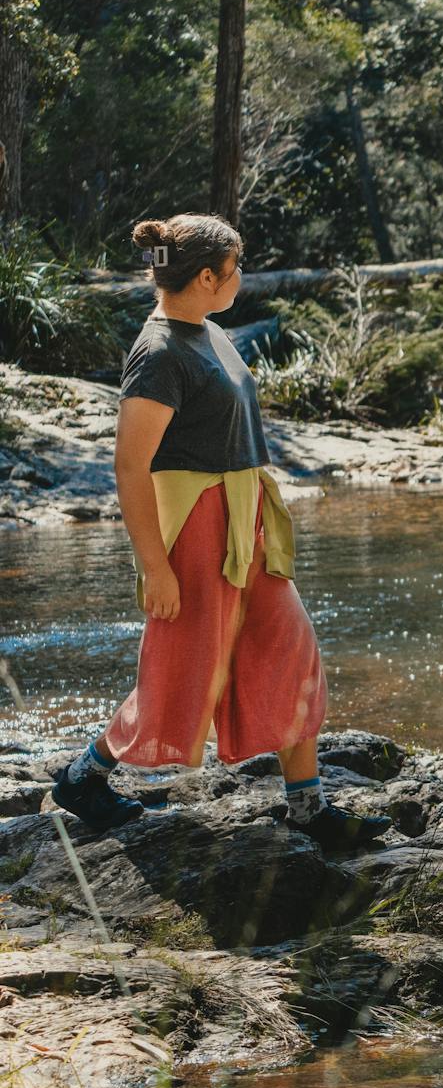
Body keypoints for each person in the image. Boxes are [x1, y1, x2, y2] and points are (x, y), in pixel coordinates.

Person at [49, 214, 390, 851]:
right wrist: (156, 567)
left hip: (244, 527)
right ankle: (82, 776)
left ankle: (307, 806)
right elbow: (130, 464)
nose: (241, 279)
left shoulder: (208, 332)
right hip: (197, 534)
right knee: (182, 673)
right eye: (235, 270)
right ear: (207, 276)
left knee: (291, 647)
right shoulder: (158, 354)